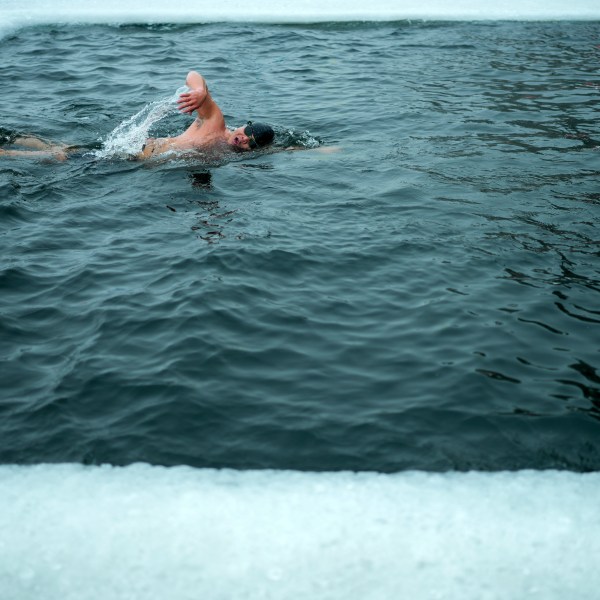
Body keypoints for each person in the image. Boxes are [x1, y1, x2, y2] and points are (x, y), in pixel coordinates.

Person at [0, 70, 275, 160]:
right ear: (243, 125)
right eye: (246, 132)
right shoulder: (216, 123)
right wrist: (201, 93)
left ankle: (14, 140)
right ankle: (9, 151)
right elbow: (193, 74)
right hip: (135, 152)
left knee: (61, 151)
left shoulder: (226, 153)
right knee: (59, 156)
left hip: (131, 156)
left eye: (251, 142)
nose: (243, 139)